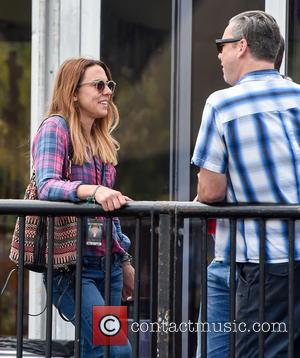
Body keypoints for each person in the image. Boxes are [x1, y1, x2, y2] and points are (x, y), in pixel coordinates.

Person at [192, 10, 300, 357]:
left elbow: (210, 191)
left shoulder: (223, 103)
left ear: (242, 46)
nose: (219, 54)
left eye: (221, 45)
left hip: (265, 262)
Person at [32, 58, 134, 357]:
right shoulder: (56, 128)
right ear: (73, 92)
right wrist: (94, 190)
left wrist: (124, 259)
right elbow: (46, 186)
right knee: (116, 350)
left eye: (109, 85)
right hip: (72, 267)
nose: (107, 92)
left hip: (108, 265)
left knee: (97, 351)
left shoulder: (101, 141)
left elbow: (110, 214)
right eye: (98, 85)